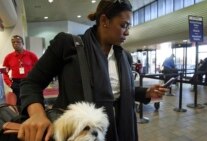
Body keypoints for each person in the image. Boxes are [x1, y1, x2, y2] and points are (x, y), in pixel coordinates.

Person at [18, 1, 167, 141]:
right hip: (81, 133)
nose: (127, 32)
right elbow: (31, 83)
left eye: (129, 27)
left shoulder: (124, 56)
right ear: (104, 21)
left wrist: (145, 93)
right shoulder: (68, 45)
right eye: (123, 25)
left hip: (120, 131)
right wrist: (37, 115)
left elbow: (117, 91)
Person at [2, 35, 38, 106]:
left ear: (23, 43)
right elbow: (4, 72)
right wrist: (10, 84)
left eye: (18, 42)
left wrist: (36, 81)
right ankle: (21, 116)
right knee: (19, 103)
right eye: (13, 42)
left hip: (29, 82)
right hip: (16, 83)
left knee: (30, 102)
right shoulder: (8, 57)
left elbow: (38, 69)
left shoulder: (31, 55)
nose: (15, 43)